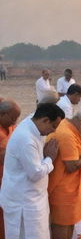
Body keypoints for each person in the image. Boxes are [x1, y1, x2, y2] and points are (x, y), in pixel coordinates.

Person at [0, 103, 65, 239]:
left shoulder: (33, 122)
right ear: (45, 120)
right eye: (53, 126)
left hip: (33, 197)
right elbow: (35, 173)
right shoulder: (26, 139)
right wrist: (49, 158)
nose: (53, 131)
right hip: (23, 203)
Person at [48, 108, 81, 239]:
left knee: (69, 224)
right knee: (62, 226)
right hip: (63, 190)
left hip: (70, 188)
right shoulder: (66, 134)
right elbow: (71, 166)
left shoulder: (69, 127)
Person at [0, 99, 21, 239]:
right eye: (13, 118)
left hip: (9, 180)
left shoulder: (11, 126)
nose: (15, 122)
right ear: (3, 114)